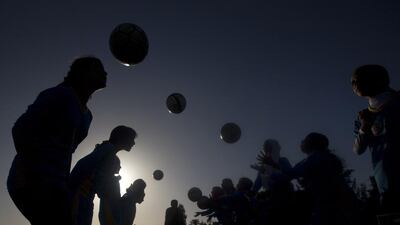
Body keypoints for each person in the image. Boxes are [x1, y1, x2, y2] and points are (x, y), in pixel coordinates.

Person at [7, 56, 107, 225]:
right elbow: (20, 130)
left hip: (57, 186)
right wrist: (32, 173)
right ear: (82, 72)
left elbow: (67, 151)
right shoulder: (61, 95)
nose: (105, 73)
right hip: (32, 180)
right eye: (98, 68)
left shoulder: (87, 116)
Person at [263, 133, 359, 225]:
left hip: (329, 203)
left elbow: (290, 174)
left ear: (311, 143)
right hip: (339, 201)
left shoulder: (315, 158)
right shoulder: (322, 157)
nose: (301, 141)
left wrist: (271, 167)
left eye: (304, 140)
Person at [351, 64, 400, 214]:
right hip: (386, 186)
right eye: (352, 81)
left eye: (359, 79)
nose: (354, 84)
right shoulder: (363, 117)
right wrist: (364, 127)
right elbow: (358, 150)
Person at [69, 125, 137, 225]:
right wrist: (72, 188)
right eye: (131, 139)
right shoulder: (108, 148)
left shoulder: (109, 151)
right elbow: (82, 165)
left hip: (86, 196)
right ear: (122, 137)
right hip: (80, 196)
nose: (133, 143)